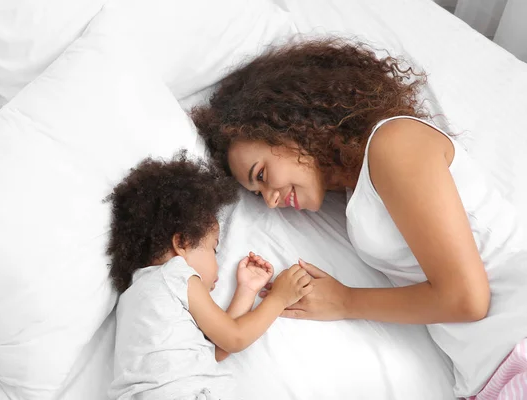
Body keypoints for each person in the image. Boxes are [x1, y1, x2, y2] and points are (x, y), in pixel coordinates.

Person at [191, 38, 527, 399]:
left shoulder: (394, 144)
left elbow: (467, 299)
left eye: (261, 175)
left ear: (289, 126)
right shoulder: (359, 186)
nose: (271, 201)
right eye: (257, 194)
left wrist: (346, 301)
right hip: (488, 371)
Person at [106, 151, 312, 400]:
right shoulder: (176, 274)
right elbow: (234, 338)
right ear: (181, 242)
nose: (217, 260)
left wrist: (246, 290)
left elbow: (215, 349)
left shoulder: (134, 296)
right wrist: (279, 298)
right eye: (214, 248)